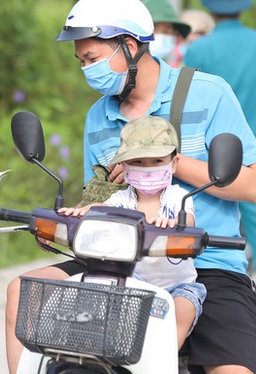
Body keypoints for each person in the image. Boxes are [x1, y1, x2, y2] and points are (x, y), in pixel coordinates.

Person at [6, 0, 256, 374]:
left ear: (128, 46)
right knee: (22, 291)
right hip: (117, 263)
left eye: (92, 58)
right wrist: (63, 227)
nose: (86, 70)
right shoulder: (99, 116)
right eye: (80, 61)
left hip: (206, 264)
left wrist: (166, 163)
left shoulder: (209, 93)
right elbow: (98, 202)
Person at [183, 0, 256, 322]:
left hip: (210, 156)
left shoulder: (199, 48)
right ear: (242, 7)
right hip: (255, 149)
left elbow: (186, 99)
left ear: (211, 9)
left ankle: (203, 297)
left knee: (209, 225)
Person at [59, 115, 203, 350]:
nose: (148, 169)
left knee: (182, 310)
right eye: (137, 162)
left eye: (157, 160)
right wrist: (80, 212)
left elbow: (189, 222)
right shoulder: (122, 199)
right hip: (130, 281)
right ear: (124, 167)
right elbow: (102, 210)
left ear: (173, 163)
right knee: (95, 301)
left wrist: (175, 223)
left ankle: (162, 363)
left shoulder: (178, 197)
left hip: (177, 285)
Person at [141, 0, 191, 67]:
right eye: (153, 29)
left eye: (167, 31)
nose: (161, 36)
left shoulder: (179, 74)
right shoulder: (122, 72)